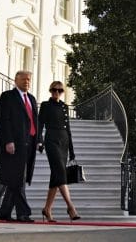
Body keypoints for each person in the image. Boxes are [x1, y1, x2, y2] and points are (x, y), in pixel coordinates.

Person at [0, 70, 38, 222]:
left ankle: (4, 213)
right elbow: (4, 120)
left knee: (17, 178)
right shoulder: (7, 96)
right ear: (16, 80)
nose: (27, 82)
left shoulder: (32, 99)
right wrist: (8, 140)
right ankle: (23, 213)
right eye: (24, 79)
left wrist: (38, 140)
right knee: (18, 178)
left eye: (29, 79)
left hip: (30, 143)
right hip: (15, 143)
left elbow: (34, 121)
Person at [36, 81, 80, 222]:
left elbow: (68, 129)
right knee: (60, 172)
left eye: (59, 90)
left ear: (62, 92)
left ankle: (47, 209)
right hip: (52, 140)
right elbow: (40, 123)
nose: (56, 92)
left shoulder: (64, 107)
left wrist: (72, 150)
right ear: (50, 90)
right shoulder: (45, 105)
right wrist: (39, 140)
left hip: (64, 142)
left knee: (56, 176)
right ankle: (71, 207)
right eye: (54, 90)